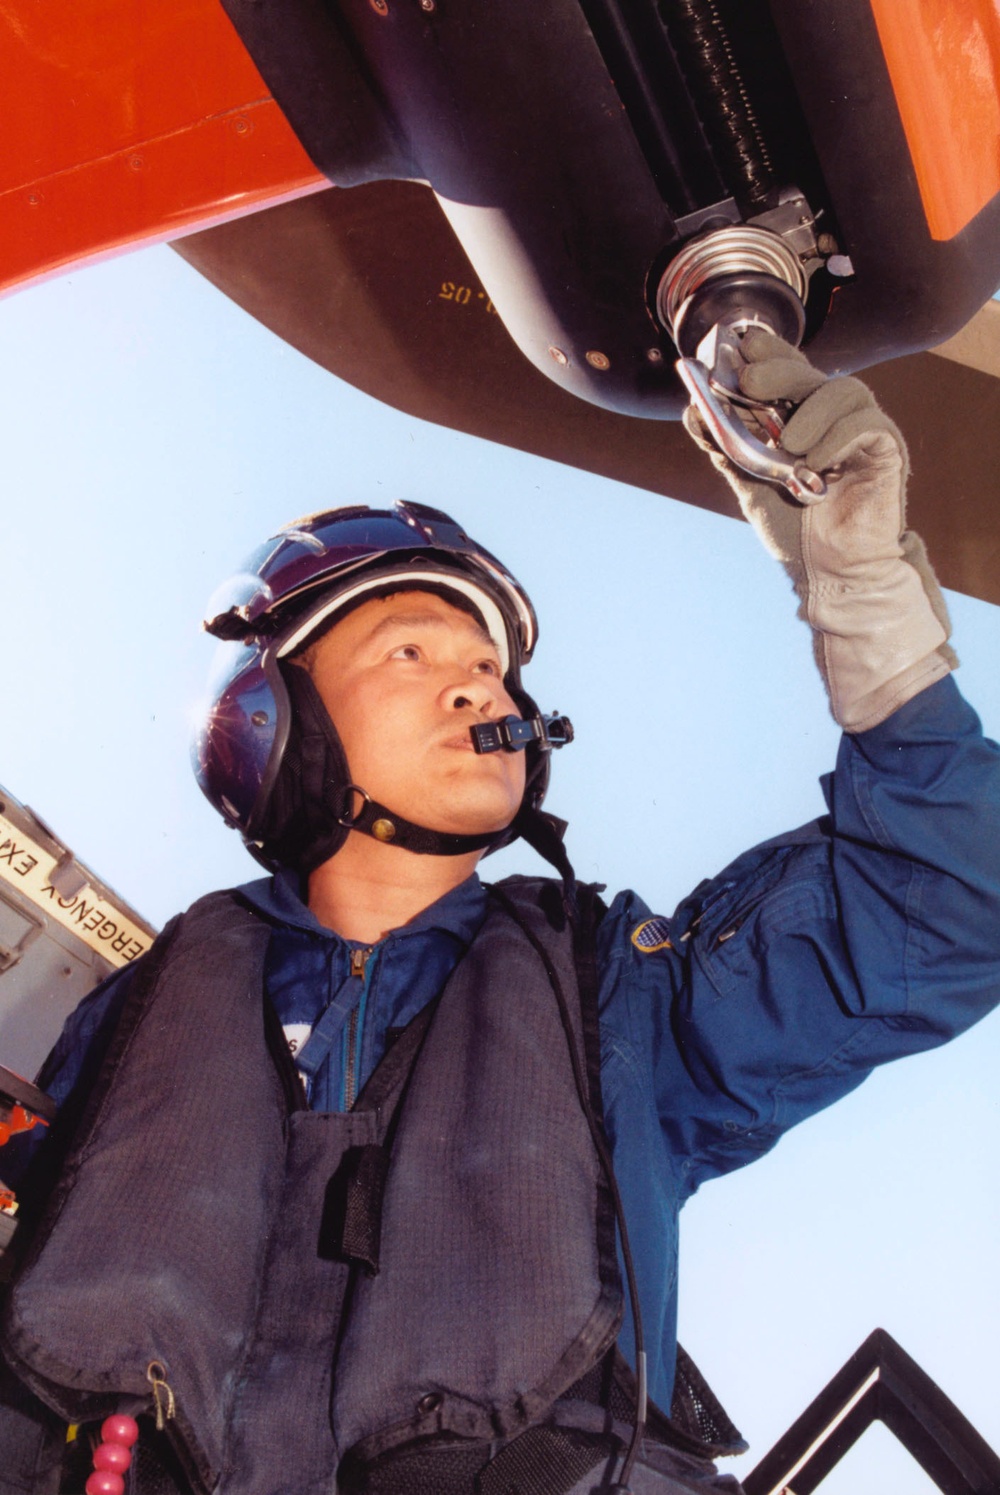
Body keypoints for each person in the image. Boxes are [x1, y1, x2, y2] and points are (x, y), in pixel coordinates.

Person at [1, 333, 999, 1495]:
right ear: (270, 723)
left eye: (487, 662)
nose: (477, 682)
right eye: (409, 648)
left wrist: (864, 595)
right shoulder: (131, 1024)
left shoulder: (616, 998)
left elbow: (951, 901)